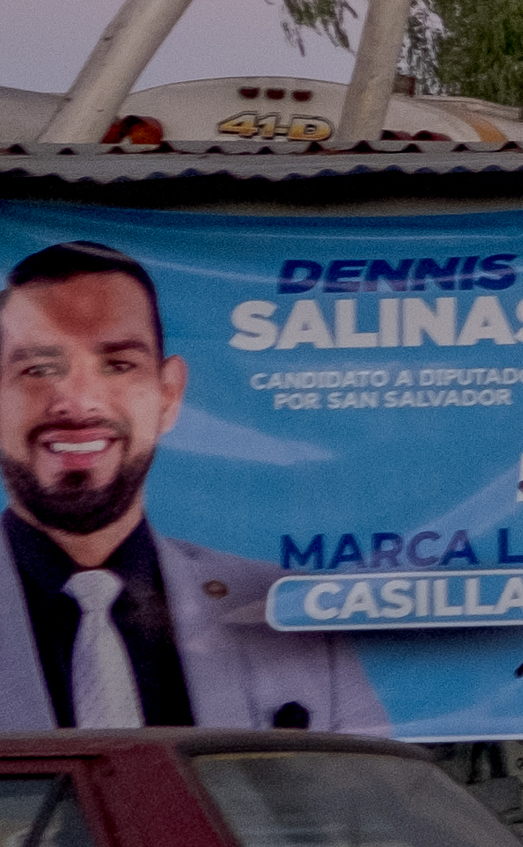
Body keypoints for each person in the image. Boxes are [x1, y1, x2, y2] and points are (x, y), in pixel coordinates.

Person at [1, 239, 382, 733]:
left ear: (169, 395)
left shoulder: (287, 616)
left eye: (118, 364)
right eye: (38, 369)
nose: (76, 402)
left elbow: (351, 807)